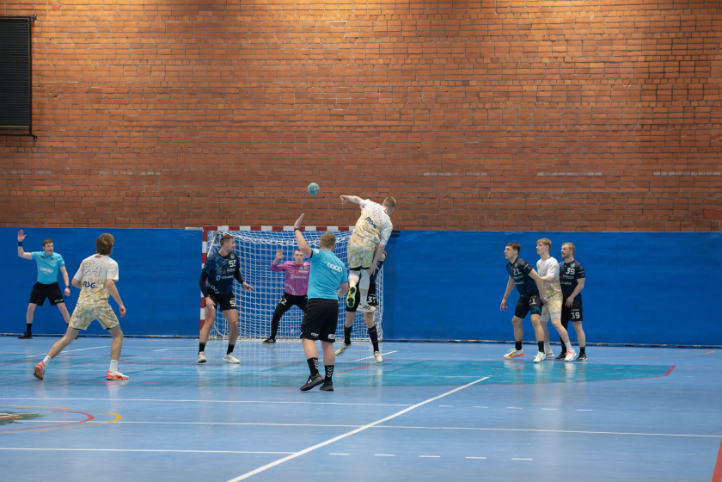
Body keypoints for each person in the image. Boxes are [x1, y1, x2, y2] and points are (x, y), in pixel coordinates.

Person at [33, 234, 128, 381]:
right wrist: (120, 304)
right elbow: (110, 284)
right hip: (100, 304)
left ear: (97, 246)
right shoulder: (112, 263)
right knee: (117, 334)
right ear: (111, 247)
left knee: (68, 337)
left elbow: (74, 282)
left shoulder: (86, 261)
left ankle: (43, 363)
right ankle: (113, 370)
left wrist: (89, 286)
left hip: (82, 304)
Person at [293, 214, 349, 392]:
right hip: (333, 305)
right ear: (334, 245)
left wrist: (296, 228)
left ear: (320, 244)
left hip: (317, 302)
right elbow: (345, 289)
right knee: (327, 343)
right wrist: (336, 295)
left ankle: (314, 374)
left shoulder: (319, 255)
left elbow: (303, 247)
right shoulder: (340, 264)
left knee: (307, 338)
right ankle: (328, 381)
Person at [198, 234, 254, 364]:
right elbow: (201, 280)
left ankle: (229, 354)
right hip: (212, 294)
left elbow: (236, 272)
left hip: (227, 294)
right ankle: (201, 353)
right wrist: (207, 297)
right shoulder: (212, 259)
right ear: (225, 244)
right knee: (209, 321)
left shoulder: (234, 257)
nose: (234, 245)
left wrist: (243, 283)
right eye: (232, 242)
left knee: (235, 323)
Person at [340, 195, 396, 313]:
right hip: (367, 245)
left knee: (354, 271)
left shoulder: (371, 204)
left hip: (353, 241)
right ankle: (363, 304)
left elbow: (357, 199)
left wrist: (347, 197)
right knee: (365, 274)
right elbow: (381, 246)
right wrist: (374, 264)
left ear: (382, 203)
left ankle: (352, 286)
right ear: (392, 209)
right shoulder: (388, 223)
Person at [17, 230, 72, 339]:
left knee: (63, 308)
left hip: (53, 287)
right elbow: (21, 254)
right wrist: (20, 242)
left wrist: (67, 287)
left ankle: (71, 333)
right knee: (30, 308)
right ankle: (28, 333)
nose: (50, 248)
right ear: (43, 248)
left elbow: (64, 272)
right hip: (40, 287)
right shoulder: (38, 255)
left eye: (52, 246)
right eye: (48, 246)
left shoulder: (58, 257)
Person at [500, 242, 549, 362]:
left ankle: (541, 352)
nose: (505, 251)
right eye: (505, 249)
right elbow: (511, 282)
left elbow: (538, 279)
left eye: (508, 249)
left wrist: (542, 297)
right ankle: (518, 349)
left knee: (535, 320)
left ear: (515, 252)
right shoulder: (508, 265)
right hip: (523, 296)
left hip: (534, 295)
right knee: (515, 321)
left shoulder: (522, 264)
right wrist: (505, 298)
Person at [335, 251, 386, 362]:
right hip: (354, 289)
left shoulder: (378, 254)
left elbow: (382, 256)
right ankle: (347, 342)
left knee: (369, 321)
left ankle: (376, 351)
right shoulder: (359, 254)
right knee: (348, 321)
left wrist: (373, 247)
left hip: (369, 289)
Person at [536, 239, 576, 361]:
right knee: (542, 324)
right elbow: (541, 282)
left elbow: (549, 278)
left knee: (556, 322)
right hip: (545, 297)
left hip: (555, 296)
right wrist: (541, 296)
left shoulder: (552, 261)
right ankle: (547, 350)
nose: (537, 247)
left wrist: (534, 277)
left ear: (546, 248)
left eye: (540, 245)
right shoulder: (538, 262)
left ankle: (570, 350)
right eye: (537, 245)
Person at [263, 248, 310, 343]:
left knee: (311, 314)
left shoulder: (308, 266)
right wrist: (276, 258)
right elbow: (273, 268)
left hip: (302, 297)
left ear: (304, 257)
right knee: (276, 314)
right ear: (294, 256)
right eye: (297, 255)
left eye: (301, 255)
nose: (299, 257)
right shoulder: (287, 265)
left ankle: (309, 336)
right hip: (288, 297)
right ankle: (272, 337)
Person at [558, 242, 587, 361]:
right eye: (561, 249)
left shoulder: (578, 266)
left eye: (564, 249)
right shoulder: (559, 266)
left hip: (574, 300)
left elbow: (581, 284)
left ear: (571, 251)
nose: (562, 251)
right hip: (561, 301)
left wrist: (571, 297)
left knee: (577, 326)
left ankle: (582, 353)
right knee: (562, 326)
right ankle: (564, 351)